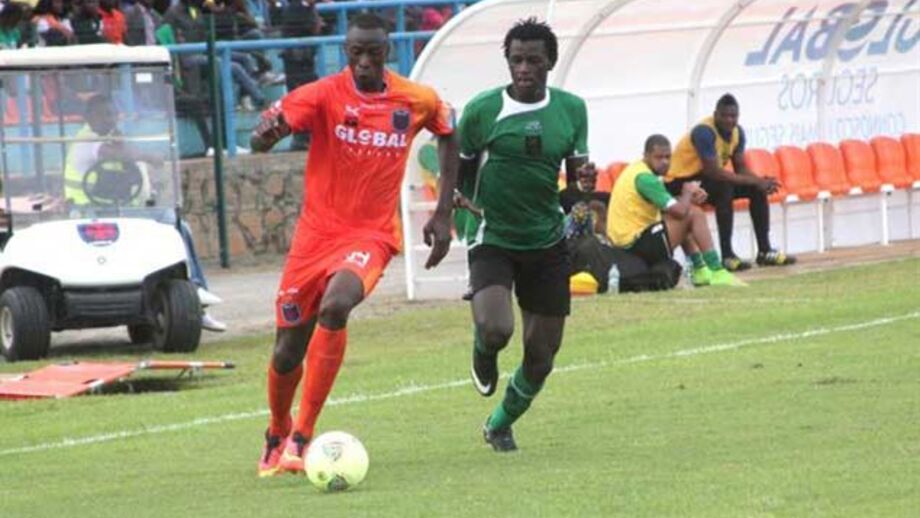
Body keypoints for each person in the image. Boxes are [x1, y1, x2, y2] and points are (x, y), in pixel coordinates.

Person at [249, 13, 458, 477]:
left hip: (371, 234)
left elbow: (448, 131)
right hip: (315, 236)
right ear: (346, 52)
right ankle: (277, 430)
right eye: (356, 53)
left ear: (388, 52)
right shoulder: (324, 94)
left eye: (373, 53)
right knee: (287, 350)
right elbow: (267, 131)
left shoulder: (415, 98)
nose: (364, 62)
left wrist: (443, 213)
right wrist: (266, 134)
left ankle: (302, 437)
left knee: (336, 306)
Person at [459, 18, 595, 452]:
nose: (524, 68)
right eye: (516, 60)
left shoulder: (572, 109)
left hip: (547, 241)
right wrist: (458, 216)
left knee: (541, 356)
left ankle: (499, 424)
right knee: (497, 329)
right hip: (494, 236)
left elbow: (574, 185)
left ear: (549, 62)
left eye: (533, 60)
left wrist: (583, 193)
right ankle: (483, 349)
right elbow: (460, 171)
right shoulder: (482, 109)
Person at [63, 95, 227, 332]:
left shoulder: (108, 137)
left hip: (114, 209)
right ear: (89, 117)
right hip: (89, 212)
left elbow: (123, 166)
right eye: (104, 114)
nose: (110, 118)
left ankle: (194, 294)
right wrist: (150, 157)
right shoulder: (87, 140)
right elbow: (116, 155)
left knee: (178, 223)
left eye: (113, 113)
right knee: (173, 222)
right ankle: (194, 292)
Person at [665, 94, 794, 271]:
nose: (729, 120)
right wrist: (756, 181)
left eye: (733, 116)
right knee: (724, 188)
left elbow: (740, 168)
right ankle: (727, 256)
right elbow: (713, 171)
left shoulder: (737, 132)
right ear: (715, 114)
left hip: (703, 179)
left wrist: (758, 182)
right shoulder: (704, 132)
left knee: (755, 190)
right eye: (724, 116)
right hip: (678, 181)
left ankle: (765, 251)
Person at [607, 134, 743, 287]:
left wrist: (687, 198)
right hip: (633, 245)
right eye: (659, 157)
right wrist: (687, 193)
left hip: (630, 242)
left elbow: (673, 208)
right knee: (694, 214)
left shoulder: (638, 170)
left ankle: (700, 270)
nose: (665, 162)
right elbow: (679, 212)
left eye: (668, 157)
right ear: (646, 155)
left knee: (686, 211)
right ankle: (716, 270)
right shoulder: (646, 179)